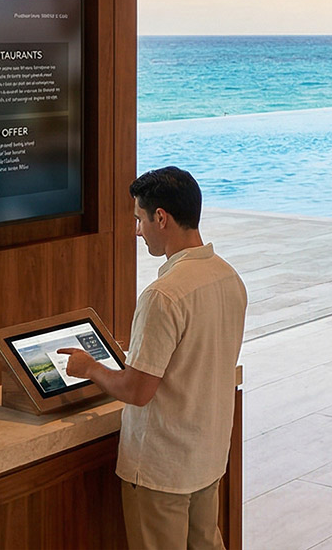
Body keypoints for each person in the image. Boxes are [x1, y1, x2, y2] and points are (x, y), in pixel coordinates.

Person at [62, 167, 248, 550]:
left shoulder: (163, 295)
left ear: (160, 217)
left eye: (138, 219)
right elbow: (197, 359)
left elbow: (137, 390)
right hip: (208, 458)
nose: (137, 230)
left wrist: (90, 367)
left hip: (163, 468)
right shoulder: (228, 277)